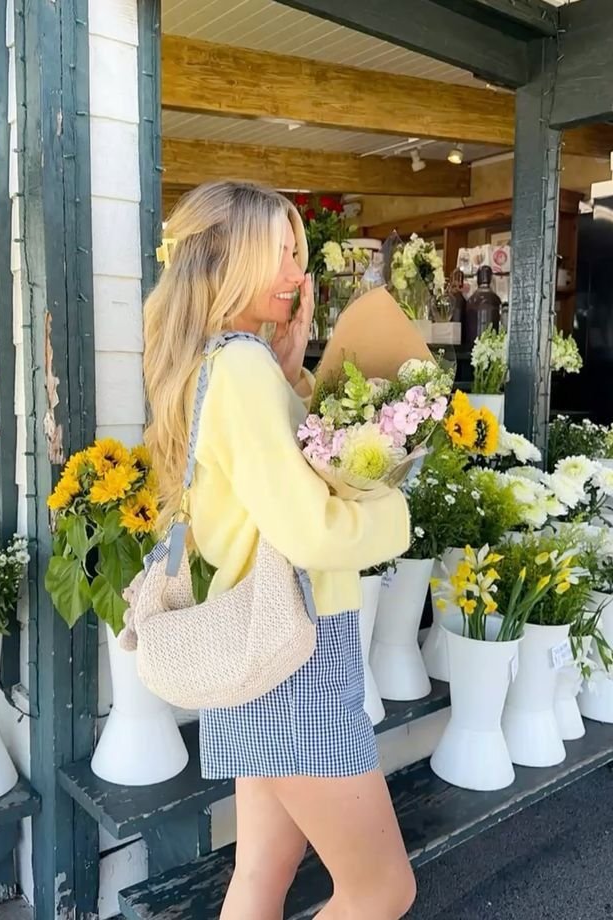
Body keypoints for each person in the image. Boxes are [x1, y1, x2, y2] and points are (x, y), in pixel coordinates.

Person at [143, 180, 416, 920]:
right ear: (228, 261)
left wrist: (291, 367)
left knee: (266, 870)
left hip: (263, 648)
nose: (300, 275)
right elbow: (308, 531)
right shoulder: (238, 370)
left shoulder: (220, 362)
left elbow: (257, 496)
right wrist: (398, 514)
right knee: (383, 889)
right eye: (283, 256)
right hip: (293, 659)